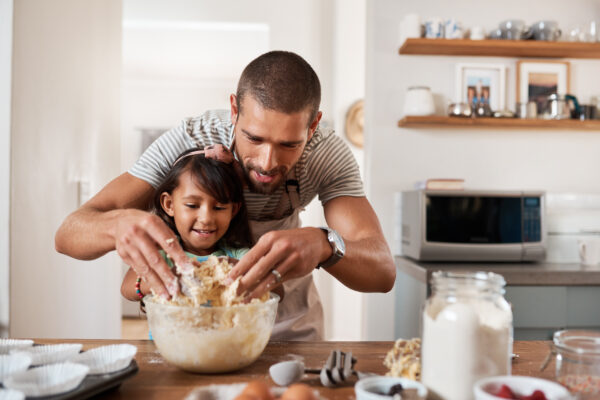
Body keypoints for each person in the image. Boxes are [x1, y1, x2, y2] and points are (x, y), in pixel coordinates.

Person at [55, 50, 396, 340]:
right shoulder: (189, 138)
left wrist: (325, 243)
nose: (267, 162)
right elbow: (68, 234)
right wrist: (115, 225)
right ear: (233, 110)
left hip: (290, 332)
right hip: (194, 335)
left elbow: (383, 271)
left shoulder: (327, 155)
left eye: (289, 145)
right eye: (254, 138)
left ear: (313, 125)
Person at [121, 148, 262, 301]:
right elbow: (127, 288)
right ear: (169, 204)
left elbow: (278, 290)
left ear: (233, 210)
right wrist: (171, 278)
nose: (206, 218)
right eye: (192, 205)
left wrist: (232, 267)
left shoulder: (238, 255)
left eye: (219, 207)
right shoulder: (163, 255)